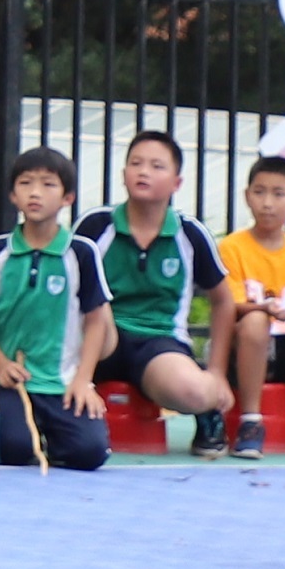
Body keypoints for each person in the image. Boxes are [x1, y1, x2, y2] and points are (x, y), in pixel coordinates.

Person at [0, 149, 119, 469]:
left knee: (90, 453)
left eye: (48, 184)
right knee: (13, 449)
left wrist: (83, 380)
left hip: (63, 382)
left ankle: (55, 438)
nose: (35, 192)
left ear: (67, 198)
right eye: (25, 183)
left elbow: (96, 321)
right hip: (11, 382)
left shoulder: (81, 252)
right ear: (12, 195)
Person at [89, 129, 240, 451]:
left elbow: (223, 302)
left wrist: (216, 372)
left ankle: (207, 409)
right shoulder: (96, 226)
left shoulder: (190, 234)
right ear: (124, 174)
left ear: (176, 183)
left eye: (157, 166)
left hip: (159, 341)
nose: (143, 172)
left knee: (194, 392)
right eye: (136, 163)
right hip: (102, 337)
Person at [210, 153, 285, 459]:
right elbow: (230, 305)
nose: (267, 203)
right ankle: (250, 422)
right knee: (254, 322)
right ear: (247, 196)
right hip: (245, 346)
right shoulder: (231, 247)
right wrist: (264, 309)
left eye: (279, 194)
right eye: (260, 192)